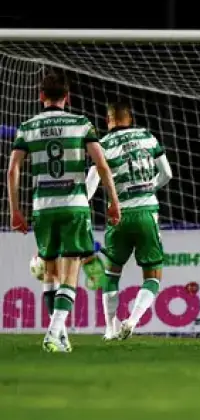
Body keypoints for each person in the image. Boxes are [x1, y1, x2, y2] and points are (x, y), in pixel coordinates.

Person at [7, 72, 121, 352]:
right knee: (70, 273)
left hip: (43, 207)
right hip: (73, 206)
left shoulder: (27, 127)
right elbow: (102, 166)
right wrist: (114, 201)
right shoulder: (81, 124)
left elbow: (13, 170)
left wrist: (15, 210)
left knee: (49, 272)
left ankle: (62, 337)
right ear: (67, 97)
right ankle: (54, 332)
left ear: (40, 96)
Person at [86, 101, 174, 341]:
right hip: (146, 212)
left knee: (111, 274)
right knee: (153, 276)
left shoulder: (102, 145)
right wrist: (146, 189)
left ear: (108, 121)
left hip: (119, 215)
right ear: (131, 119)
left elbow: (92, 182)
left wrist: (82, 205)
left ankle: (110, 329)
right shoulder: (148, 137)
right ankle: (132, 321)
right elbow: (167, 174)